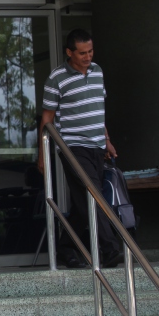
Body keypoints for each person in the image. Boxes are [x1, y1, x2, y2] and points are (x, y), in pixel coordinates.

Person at [37, 28, 122, 269]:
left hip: (96, 145)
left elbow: (97, 109)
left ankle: (65, 248)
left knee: (82, 201)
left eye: (91, 51)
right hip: (73, 147)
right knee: (94, 195)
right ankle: (110, 248)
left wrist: (106, 139)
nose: (88, 57)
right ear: (69, 52)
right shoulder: (57, 78)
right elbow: (47, 118)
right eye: (82, 53)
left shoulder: (97, 72)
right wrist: (43, 155)